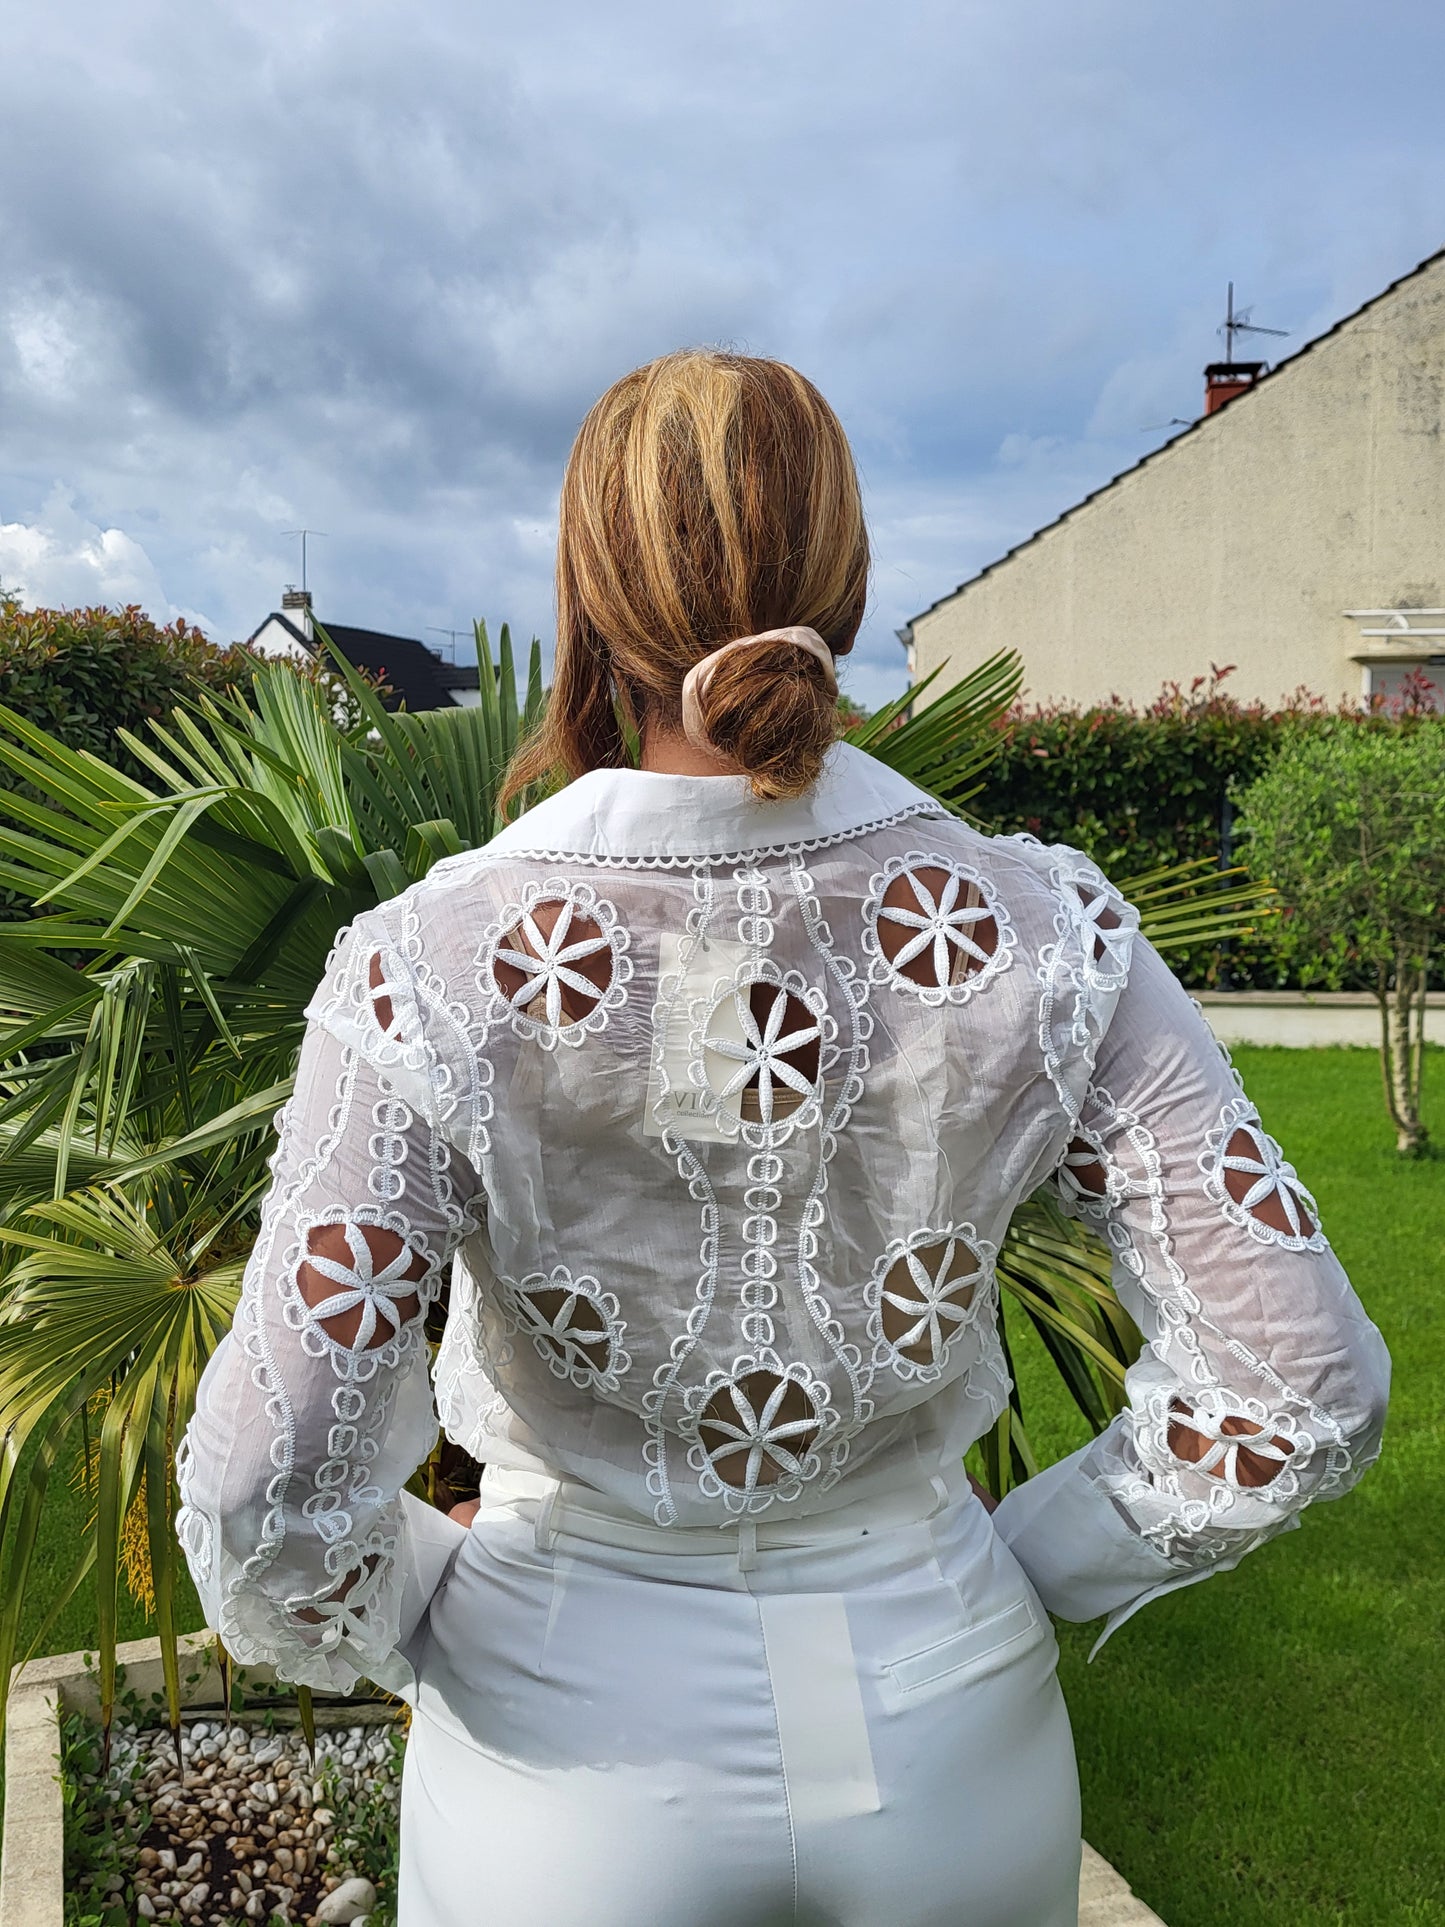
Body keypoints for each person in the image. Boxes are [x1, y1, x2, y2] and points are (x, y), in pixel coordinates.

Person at [175, 349, 1390, 1926]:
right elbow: (1298, 1379)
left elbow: (265, 1483)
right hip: (952, 1719)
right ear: (851, 580)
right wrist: (1014, 1565)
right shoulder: (1045, 929)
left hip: (561, 1745)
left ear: (588, 600)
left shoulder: (436, 961)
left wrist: (415, 1608)